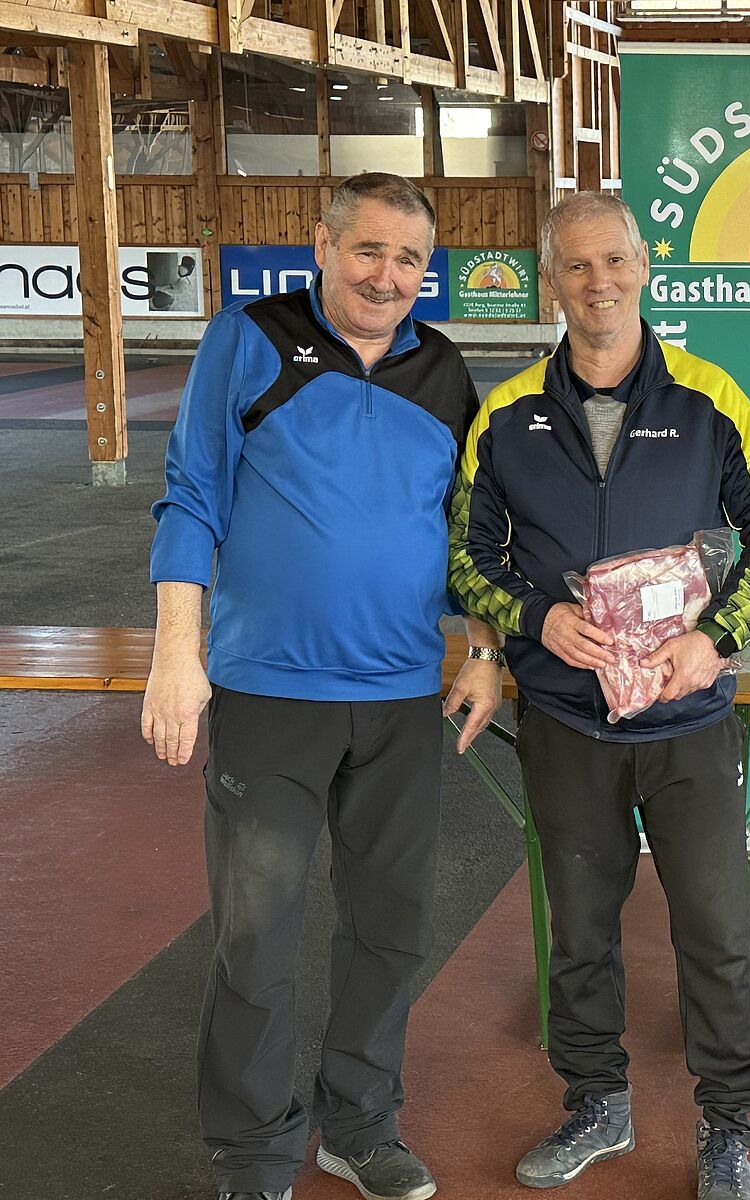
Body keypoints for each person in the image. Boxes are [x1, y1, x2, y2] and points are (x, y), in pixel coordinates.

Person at [448, 191, 750, 1200]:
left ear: (644, 267)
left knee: (718, 933)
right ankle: (596, 1104)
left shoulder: (709, 396)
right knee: (579, 931)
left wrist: (715, 639)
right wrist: (535, 620)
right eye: (575, 265)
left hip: (688, 722)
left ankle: (728, 1124)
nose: (598, 283)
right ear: (550, 281)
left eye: (613, 261)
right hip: (566, 721)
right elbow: (467, 555)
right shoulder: (507, 413)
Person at [144, 171, 502, 1200]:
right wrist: (178, 652)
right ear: (322, 245)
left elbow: (468, 528)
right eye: (368, 251)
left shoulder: (443, 369)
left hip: (401, 697)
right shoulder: (249, 338)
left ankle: (360, 1125)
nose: (386, 276)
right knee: (255, 937)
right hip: (269, 693)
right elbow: (192, 495)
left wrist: (483, 647)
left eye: (408, 260)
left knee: (389, 927)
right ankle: (254, 1157)